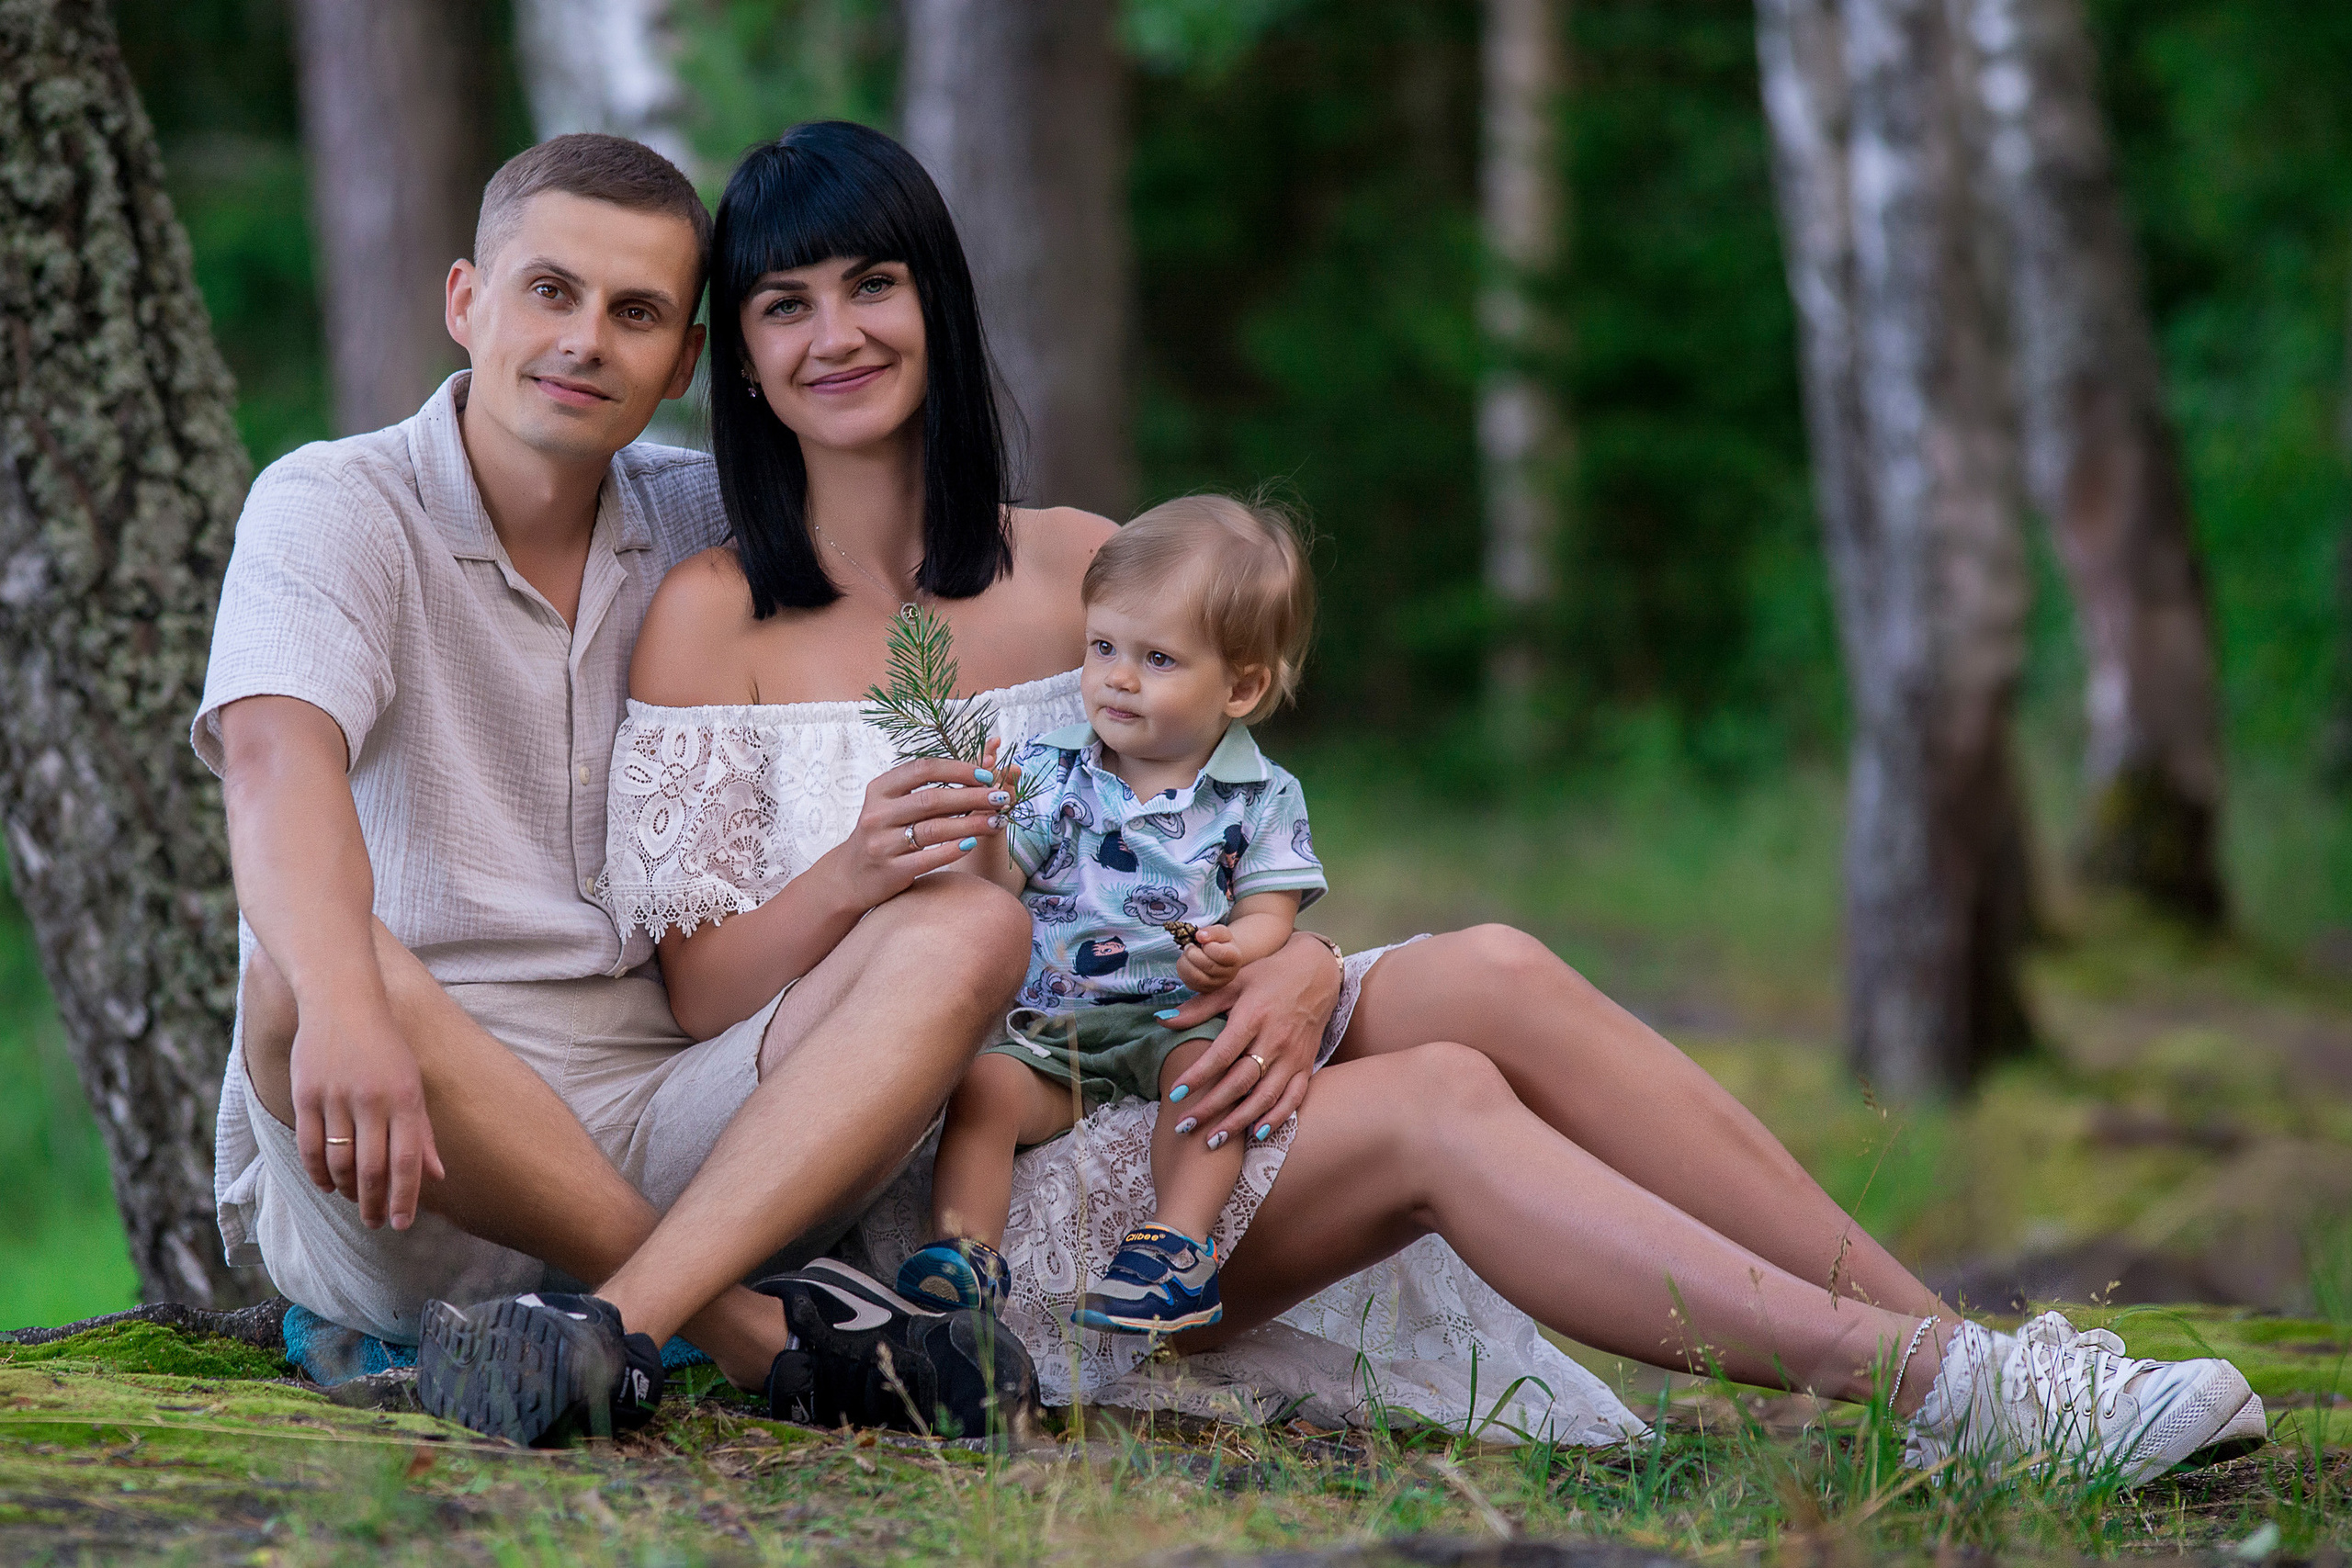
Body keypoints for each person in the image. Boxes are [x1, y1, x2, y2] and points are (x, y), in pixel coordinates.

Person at [605, 118, 2265, 1484]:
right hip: (970, 1177)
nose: (837, 334)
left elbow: (1219, 822)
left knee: (1492, 971)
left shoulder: (1077, 562)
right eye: (784, 304)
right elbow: (699, 1000)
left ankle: (1978, 1371)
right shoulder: (716, 617)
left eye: (874, 283)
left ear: (935, 301)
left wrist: (1301, 964)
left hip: (1172, 1047)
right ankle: (1934, 1392)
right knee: (1440, 1098)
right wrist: (845, 876)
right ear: (738, 357)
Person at [198, 131, 1035, 1449]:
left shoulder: (719, 528)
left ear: (687, 361)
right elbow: (271, 762)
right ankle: (757, 1339)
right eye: (552, 291)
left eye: (637, 311)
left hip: (695, 1130)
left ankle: (614, 1324)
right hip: (410, 1144)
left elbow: (958, 591)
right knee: (306, 955)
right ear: (467, 300)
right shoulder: (334, 502)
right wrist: (348, 1008)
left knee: (972, 926)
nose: (587, 338)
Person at [895, 495, 1326, 1337]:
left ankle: (1173, 1249)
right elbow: (998, 891)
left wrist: (1231, 949)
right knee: (984, 1088)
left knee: (1211, 1084)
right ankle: (964, 1260)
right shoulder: (1053, 769)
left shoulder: (1261, 793)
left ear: (1242, 685)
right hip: (1050, 1026)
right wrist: (986, 830)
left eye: (1157, 658)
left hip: (1176, 1015)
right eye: (1103, 648)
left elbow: (1270, 910)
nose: (1116, 677)